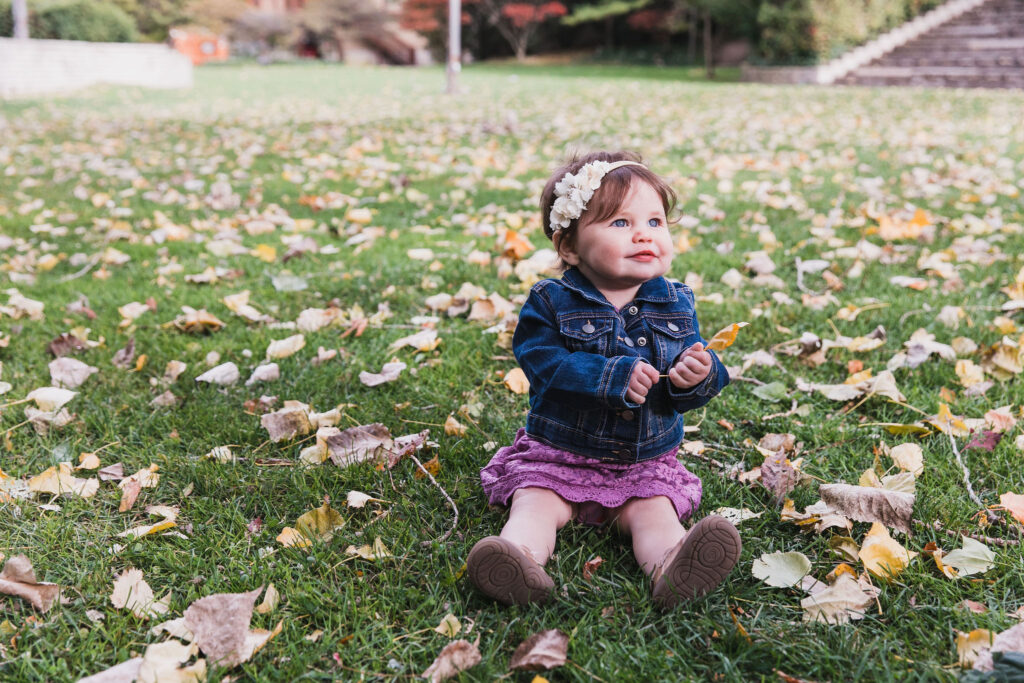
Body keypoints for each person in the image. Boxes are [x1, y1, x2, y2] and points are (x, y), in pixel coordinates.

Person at [467, 151, 741, 609]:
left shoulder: (675, 302)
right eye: (619, 223)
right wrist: (610, 375)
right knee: (535, 503)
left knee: (653, 512)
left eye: (656, 221)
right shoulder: (551, 301)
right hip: (560, 456)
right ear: (569, 246)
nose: (643, 234)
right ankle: (519, 560)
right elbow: (544, 366)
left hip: (641, 462)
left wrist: (698, 376)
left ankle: (673, 565)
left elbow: (680, 388)